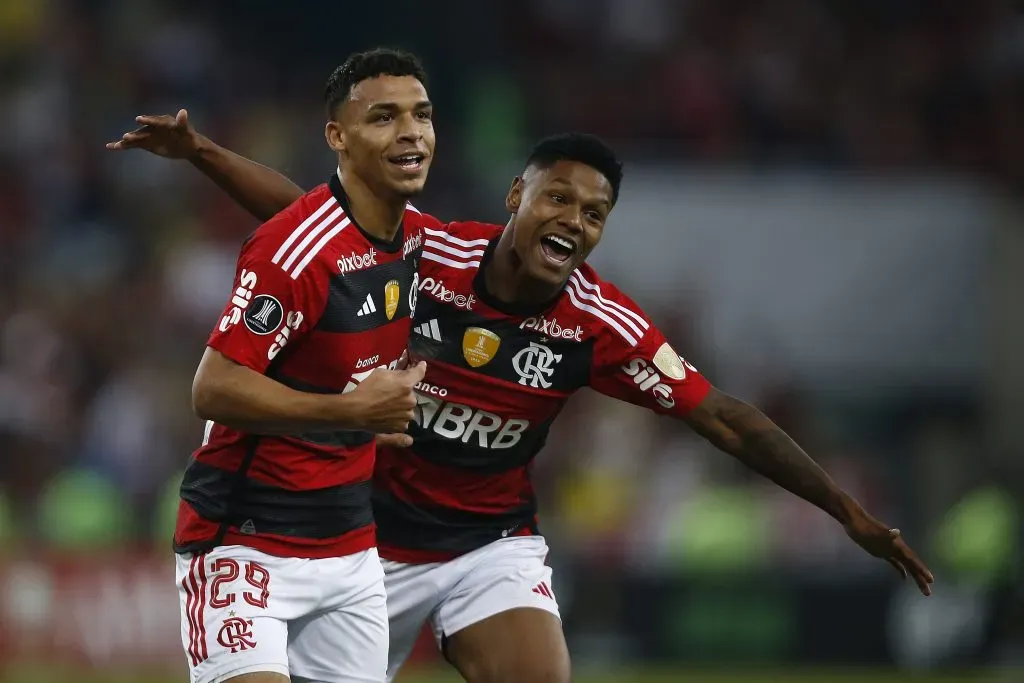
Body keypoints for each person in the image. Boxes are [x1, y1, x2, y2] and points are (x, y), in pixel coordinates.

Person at [111, 119, 934, 683]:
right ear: (517, 196)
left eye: (595, 213)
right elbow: (306, 214)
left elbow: (724, 418)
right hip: (363, 546)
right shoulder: (428, 255)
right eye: (559, 198)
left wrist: (845, 510)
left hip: (486, 545)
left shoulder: (599, 324)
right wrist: (202, 152)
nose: (574, 220)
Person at [112, 48, 442, 683]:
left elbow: (318, 222)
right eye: (384, 117)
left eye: (421, 115)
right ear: (337, 137)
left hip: (349, 547)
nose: (410, 131)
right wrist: (351, 411)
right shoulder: (289, 254)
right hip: (246, 540)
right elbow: (213, 388)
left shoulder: (410, 236)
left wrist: (201, 152)